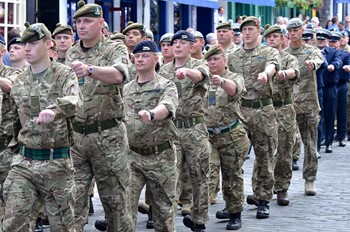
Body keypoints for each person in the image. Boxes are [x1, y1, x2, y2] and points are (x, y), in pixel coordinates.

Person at [2, 21, 81, 232]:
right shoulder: (19, 81)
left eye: (33, 43)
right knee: (12, 223)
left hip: (56, 162)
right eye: (25, 44)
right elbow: (12, 121)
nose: (27, 48)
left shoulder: (64, 74)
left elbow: (74, 100)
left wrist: (54, 110)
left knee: (62, 226)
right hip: (24, 162)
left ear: (49, 44)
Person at [65, 1, 132, 231]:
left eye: (87, 21)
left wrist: (90, 70)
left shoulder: (115, 49)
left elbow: (120, 75)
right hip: (77, 138)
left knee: (116, 203)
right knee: (71, 201)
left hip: (108, 136)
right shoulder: (71, 52)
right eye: (78, 22)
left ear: (101, 23)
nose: (81, 26)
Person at [123, 40, 178, 232]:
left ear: (156, 59)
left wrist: (152, 114)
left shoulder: (166, 85)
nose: (139, 59)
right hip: (132, 157)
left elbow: (168, 106)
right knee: (124, 210)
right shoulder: (126, 88)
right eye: (136, 56)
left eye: (145, 56)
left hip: (160, 156)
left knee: (163, 213)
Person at [158, 30, 211, 232]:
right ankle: (166, 221)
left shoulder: (199, 64)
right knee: (170, 177)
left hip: (194, 128)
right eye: (175, 43)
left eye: (182, 42)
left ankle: (199, 219)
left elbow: (200, 76)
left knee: (199, 175)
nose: (178, 46)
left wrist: (186, 72)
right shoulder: (163, 71)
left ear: (192, 46)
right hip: (171, 130)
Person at [227, 16, 279, 219]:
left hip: (262, 111)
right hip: (239, 111)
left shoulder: (269, 52)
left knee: (264, 156)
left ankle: (263, 199)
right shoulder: (233, 56)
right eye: (244, 30)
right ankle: (234, 204)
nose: (247, 33)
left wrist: (266, 74)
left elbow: (273, 65)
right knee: (232, 158)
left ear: (258, 31)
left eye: (250, 29)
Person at [203, 44, 249, 230]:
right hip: (209, 136)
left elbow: (234, 90)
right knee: (209, 173)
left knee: (232, 176)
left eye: (216, 59)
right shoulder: (203, 79)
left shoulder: (234, 77)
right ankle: (200, 214)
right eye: (209, 60)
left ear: (225, 61)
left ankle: (234, 212)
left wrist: (221, 81)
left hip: (231, 135)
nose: (212, 63)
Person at [286, 18, 324, 195]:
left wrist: (312, 64)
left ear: (302, 31)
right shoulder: (284, 53)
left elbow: (318, 61)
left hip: (308, 105)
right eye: (290, 31)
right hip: (288, 106)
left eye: (296, 30)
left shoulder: (311, 51)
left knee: (310, 145)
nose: (293, 34)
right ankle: (281, 184)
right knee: (284, 145)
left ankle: (310, 180)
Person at [264, 25, 299, 206]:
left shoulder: (288, 57)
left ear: (283, 39)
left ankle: (282, 188)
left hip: (284, 108)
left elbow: (295, 72)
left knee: (285, 150)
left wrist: (285, 73)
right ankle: (262, 190)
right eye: (268, 36)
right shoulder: (261, 58)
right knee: (265, 151)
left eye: (275, 36)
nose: (272, 39)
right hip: (265, 109)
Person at [0, 33, 20, 226]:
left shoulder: (12, 73)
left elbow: (10, 87)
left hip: (6, 147)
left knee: (10, 200)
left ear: (2, 51)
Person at [316, 29, 342, 153]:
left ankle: (329, 143)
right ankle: (319, 142)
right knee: (319, 116)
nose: (320, 42)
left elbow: (338, 61)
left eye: (323, 40)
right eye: (319, 39)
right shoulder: (313, 52)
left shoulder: (332, 52)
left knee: (330, 115)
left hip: (330, 87)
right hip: (318, 87)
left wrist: (333, 66)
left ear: (327, 40)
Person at [328, 32, 350, 147]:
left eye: (335, 42)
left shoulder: (345, 54)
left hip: (342, 85)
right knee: (330, 113)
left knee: (342, 112)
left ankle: (341, 137)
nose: (333, 44)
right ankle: (328, 138)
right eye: (331, 41)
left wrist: (348, 67)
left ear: (339, 42)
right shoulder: (326, 54)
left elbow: (349, 63)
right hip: (330, 86)